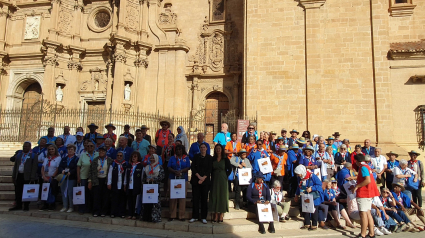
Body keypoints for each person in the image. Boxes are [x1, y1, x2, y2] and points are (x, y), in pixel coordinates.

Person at [350, 154, 380, 238]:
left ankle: (363, 234)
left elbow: (367, 180)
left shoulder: (362, 167)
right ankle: (371, 233)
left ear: (357, 161)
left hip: (364, 193)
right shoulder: (367, 166)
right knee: (368, 213)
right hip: (369, 193)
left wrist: (357, 186)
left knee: (363, 214)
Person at [10, 142, 38, 211]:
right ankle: (18, 205)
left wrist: (32, 177)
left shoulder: (33, 155)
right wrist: (14, 176)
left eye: (27, 146)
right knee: (18, 191)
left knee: (26, 191)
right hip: (19, 175)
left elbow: (34, 167)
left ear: (30, 147)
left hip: (27, 176)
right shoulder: (19, 155)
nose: (25, 147)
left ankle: (26, 206)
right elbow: (16, 166)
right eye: (24, 146)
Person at [294, 165, 324, 230]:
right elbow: (299, 186)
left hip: (314, 196)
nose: (298, 175)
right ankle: (307, 223)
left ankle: (314, 224)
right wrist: (296, 195)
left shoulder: (312, 176)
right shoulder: (300, 178)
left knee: (314, 210)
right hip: (305, 195)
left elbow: (319, 184)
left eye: (299, 174)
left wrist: (312, 188)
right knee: (305, 209)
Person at [189, 143, 213, 224]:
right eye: (201, 147)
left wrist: (203, 178)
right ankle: (195, 216)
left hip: (205, 182)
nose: (203, 149)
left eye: (204, 147)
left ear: (206, 148)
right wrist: (199, 177)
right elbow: (193, 168)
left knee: (204, 199)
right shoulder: (196, 157)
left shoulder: (210, 158)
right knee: (195, 199)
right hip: (196, 180)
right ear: (200, 148)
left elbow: (209, 169)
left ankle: (203, 217)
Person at [209, 144, 232, 223]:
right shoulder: (213, 159)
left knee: (222, 196)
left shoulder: (225, 159)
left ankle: (221, 214)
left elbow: (230, 169)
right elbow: (210, 169)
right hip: (215, 179)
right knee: (214, 195)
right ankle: (215, 214)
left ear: (222, 150)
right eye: (217, 149)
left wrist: (226, 176)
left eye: (219, 148)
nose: (218, 150)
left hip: (223, 179)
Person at [167, 145, 190, 221]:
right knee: (173, 197)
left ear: (182, 150)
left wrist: (181, 171)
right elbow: (169, 167)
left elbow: (188, 167)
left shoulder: (186, 158)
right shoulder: (172, 158)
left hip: (183, 179)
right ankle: (172, 215)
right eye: (177, 149)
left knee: (182, 197)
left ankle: (181, 215)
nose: (178, 151)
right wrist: (174, 172)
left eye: (180, 149)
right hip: (173, 179)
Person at [89, 146, 113, 217]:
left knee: (105, 197)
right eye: (100, 151)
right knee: (96, 196)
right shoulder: (95, 160)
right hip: (97, 179)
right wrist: (90, 181)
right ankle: (96, 211)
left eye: (103, 151)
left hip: (105, 180)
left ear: (105, 152)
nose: (101, 152)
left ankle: (104, 211)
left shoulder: (109, 160)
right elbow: (91, 171)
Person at [140, 153, 164, 223]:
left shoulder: (159, 167)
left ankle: (154, 217)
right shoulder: (147, 167)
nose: (152, 160)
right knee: (147, 201)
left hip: (155, 186)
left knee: (155, 203)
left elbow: (162, 176)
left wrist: (155, 179)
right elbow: (144, 177)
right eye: (151, 158)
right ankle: (146, 216)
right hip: (147, 186)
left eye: (153, 158)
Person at [77, 141, 98, 214]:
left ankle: (91, 209)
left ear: (94, 147)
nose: (89, 147)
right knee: (83, 193)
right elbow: (78, 166)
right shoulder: (83, 155)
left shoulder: (97, 154)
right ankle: (82, 209)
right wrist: (78, 177)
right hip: (84, 176)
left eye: (91, 146)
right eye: (88, 146)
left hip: (94, 177)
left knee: (92, 193)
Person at [39, 144, 62, 211]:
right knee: (45, 191)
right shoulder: (46, 158)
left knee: (53, 191)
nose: (51, 151)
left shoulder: (58, 158)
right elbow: (43, 167)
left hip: (53, 178)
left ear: (55, 150)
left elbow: (57, 168)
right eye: (49, 149)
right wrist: (43, 176)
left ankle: (52, 204)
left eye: (52, 149)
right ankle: (45, 204)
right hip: (45, 177)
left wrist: (52, 176)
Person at [57, 144, 79, 213]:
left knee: (70, 192)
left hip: (71, 178)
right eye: (69, 149)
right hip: (64, 178)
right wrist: (62, 171)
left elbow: (76, 168)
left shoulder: (76, 159)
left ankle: (71, 207)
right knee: (64, 192)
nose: (70, 151)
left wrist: (71, 172)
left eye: (71, 149)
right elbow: (60, 167)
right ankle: (65, 206)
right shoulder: (64, 159)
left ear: (74, 151)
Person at [108, 150, 129, 218]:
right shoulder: (113, 163)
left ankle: (122, 213)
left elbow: (126, 174)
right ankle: (113, 212)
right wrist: (109, 183)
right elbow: (110, 174)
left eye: (121, 156)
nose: (119, 157)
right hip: (115, 184)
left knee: (122, 199)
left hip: (122, 184)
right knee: (114, 199)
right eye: (118, 156)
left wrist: (125, 184)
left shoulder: (125, 164)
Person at [124, 151, 143, 220]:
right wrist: (125, 184)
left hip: (136, 186)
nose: (133, 158)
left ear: (138, 158)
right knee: (130, 200)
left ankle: (135, 214)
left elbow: (141, 177)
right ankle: (130, 213)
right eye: (132, 156)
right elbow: (126, 175)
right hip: (129, 185)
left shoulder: (140, 166)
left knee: (135, 200)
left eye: (135, 157)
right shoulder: (129, 165)